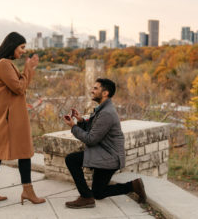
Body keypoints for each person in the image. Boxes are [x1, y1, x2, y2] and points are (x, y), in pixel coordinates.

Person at [63, 78, 147, 209]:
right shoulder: (103, 109)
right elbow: (95, 130)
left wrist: (73, 127)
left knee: (71, 160)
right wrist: (80, 121)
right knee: (98, 192)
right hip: (104, 153)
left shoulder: (106, 112)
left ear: (105, 93)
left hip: (109, 157)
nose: (92, 90)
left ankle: (86, 197)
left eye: (95, 88)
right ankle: (133, 186)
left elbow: (91, 139)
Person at [0, 32, 45, 205]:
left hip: (7, 116)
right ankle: (27, 191)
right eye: (22, 47)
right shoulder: (4, 64)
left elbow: (19, 87)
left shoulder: (5, 63)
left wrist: (27, 71)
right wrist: (28, 69)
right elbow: (19, 88)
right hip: (9, 118)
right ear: (13, 46)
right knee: (24, 152)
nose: (23, 51)